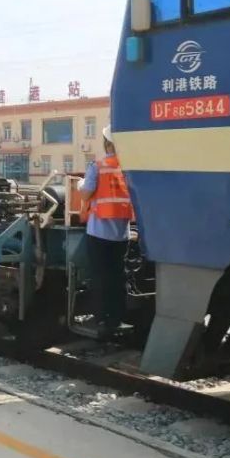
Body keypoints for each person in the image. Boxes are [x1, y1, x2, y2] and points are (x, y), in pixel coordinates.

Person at [78, 126, 133, 335]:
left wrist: (81, 184)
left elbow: (86, 194)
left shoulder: (98, 166)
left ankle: (100, 318)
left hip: (99, 232)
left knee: (99, 276)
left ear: (106, 143)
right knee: (118, 275)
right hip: (122, 233)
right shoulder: (128, 167)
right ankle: (116, 318)